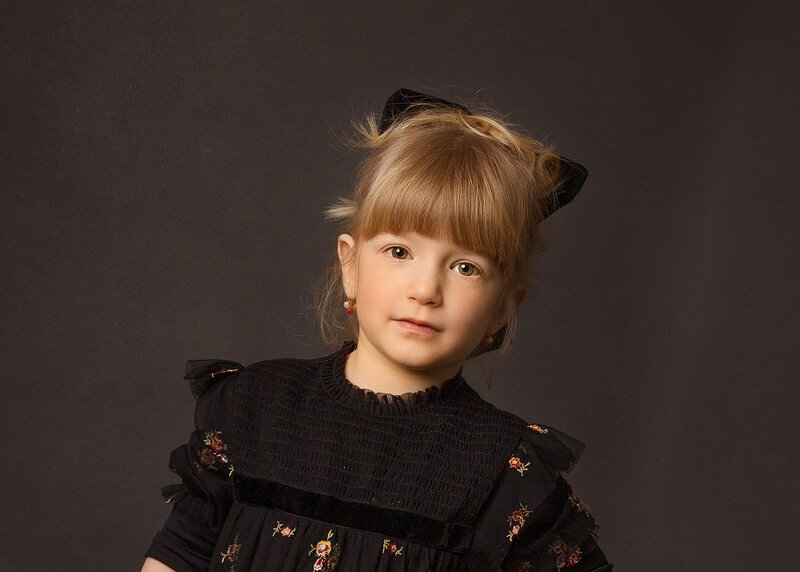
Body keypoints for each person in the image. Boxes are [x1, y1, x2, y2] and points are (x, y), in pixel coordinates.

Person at [142, 89, 612, 571]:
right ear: (351, 264)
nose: (426, 289)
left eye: (466, 267)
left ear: (503, 309)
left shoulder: (509, 473)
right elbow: (178, 554)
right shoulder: (253, 405)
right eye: (400, 252)